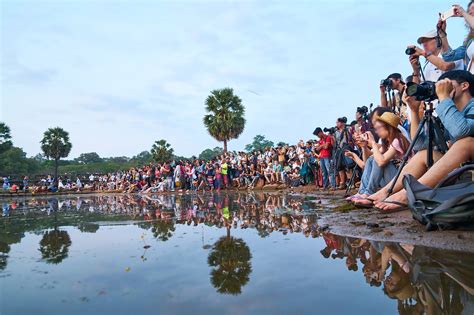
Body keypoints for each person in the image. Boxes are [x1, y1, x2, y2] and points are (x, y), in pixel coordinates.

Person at [371, 70, 474, 211]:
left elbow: (461, 131)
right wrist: (414, 111)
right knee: (424, 153)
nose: (441, 88)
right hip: (461, 168)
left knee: (466, 143)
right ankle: (386, 191)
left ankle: (407, 194)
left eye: (447, 84)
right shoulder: (449, 112)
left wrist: (444, 98)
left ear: (464, 85)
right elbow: (420, 145)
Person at [348, 112, 410, 204]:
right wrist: (364, 146)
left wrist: (373, 142)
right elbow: (367, 162)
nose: (376, 131)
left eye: (379, 128)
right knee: (373, 159)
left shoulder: (398, 140)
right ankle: (362, 192)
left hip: (404, 182)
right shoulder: (388, 143)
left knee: (379, 160)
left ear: (388, 128)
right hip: (394, 179)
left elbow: (380, 161)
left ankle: (368, 193)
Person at [441, 2, 474, 73]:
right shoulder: (470, 43)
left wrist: (463, 13)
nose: (470, 12)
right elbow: (448, 56)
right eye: (468, 10)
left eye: (473, 8)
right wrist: (442, 33)